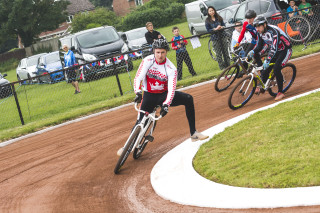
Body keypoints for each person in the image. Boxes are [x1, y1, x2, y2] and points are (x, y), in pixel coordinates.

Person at [117, 39, 208, 156]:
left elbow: (171, 89)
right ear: (154, 52)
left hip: (163, 95)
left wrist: (166, 104)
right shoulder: (147, 61)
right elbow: (138, 78)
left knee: (188, 99)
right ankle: (126, 146)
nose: (160, 55)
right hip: (148, 94)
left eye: (163, 52)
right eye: (158, 52)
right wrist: (138, 93)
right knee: (140, 121)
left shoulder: (171, 68)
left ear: (166, 52)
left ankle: (194, 133)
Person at [251, 16, 292, 101]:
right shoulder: (260, 32)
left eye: (259, 26)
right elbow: (259, 45)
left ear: (265, 24)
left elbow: (274, 47)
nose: (257, 29)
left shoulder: (274, 31)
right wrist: (252, 52)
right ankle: (263, 87)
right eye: (256, 26)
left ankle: (280, 92)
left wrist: (268, 60)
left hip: (285, 50)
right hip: (276, 51)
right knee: (265, 70)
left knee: (276, 68)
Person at [205, 6, 230, 70]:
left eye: (212, 10)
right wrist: (215, 29)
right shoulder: (207, 20)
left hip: (222, 36)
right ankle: (222, 68)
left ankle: (228, 66)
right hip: (215, 38)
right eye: (210, 11)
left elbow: (224, 25)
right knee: (218, 54)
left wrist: (221, 27)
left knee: (226, 52)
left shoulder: (219, 18)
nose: (211, 12)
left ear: (214, 10)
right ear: (208, 12)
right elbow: (208, 30)